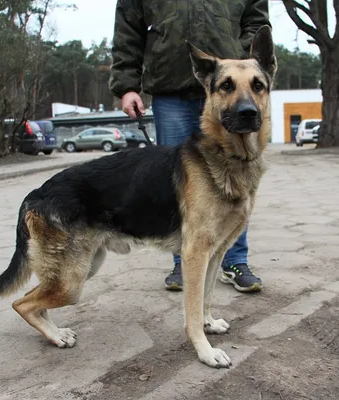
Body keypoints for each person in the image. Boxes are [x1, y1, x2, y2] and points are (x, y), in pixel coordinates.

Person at [109, 0, 269, 293]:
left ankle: (234, 261)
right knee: (179, 184)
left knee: (238, 181)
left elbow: (256, 21)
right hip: (171, 87)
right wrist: (127, 85)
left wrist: (239, 62)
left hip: (230, 82)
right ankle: (185, 261)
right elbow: (128, 27)